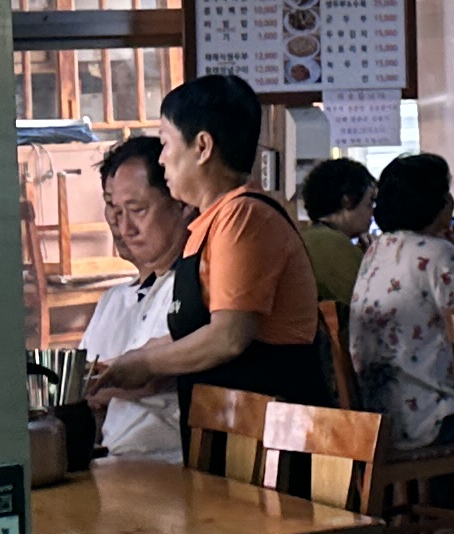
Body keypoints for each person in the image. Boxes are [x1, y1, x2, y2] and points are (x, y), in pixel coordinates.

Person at [92, 69, 333, 410]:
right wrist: (117, 366)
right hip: (227, 423)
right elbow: (188, 334)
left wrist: (145, 363)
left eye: (166, 143)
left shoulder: (243, 216)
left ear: (203, 147)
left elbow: (229, 335)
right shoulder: (208, 224)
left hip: (273, 426)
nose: (161, 159)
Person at [350, 152, 454, 456]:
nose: (451, 201)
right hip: (433, 419)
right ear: (432, 201)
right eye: (445, 192)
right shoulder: (438, 253)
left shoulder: (377, 250)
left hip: (382, 418)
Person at [79, 135, 192, 466]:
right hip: (112, 459)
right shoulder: (113, 300)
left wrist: (94, 384)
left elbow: (154, 376)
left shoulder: (191, 287)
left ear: (182, 204)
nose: (123, 226)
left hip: (165, 465)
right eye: (114, 210)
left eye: (137, 210)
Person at [297, 156, 376, 307]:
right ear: (347, 200)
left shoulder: (312, 237)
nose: (372, 212)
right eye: (370, 202)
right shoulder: (330, 243)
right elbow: (370, 304)